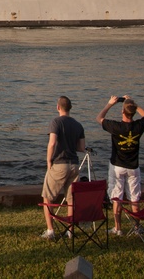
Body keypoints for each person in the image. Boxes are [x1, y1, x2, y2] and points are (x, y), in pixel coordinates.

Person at [97, 95, 144, 235]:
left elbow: (99, 118)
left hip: (117, 166)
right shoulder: (139, 126)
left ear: (122, 112)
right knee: (134, 198)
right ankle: (137, 227)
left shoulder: (116, 127)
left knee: (117, 197)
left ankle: (118, 228)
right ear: (133, 112)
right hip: (133, 167)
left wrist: (109, 104)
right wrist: (132, 103)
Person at [40, 96, 86, 240]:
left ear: (58, 107)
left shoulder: (56, 122)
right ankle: (70, 231)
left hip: (60, 164)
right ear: (70, 108)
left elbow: (52, 143)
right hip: (74, 164)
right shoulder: (78, 125)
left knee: (47, 197)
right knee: (71, 199)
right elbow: (81, 147)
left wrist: (48, 161)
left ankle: (50, 230)